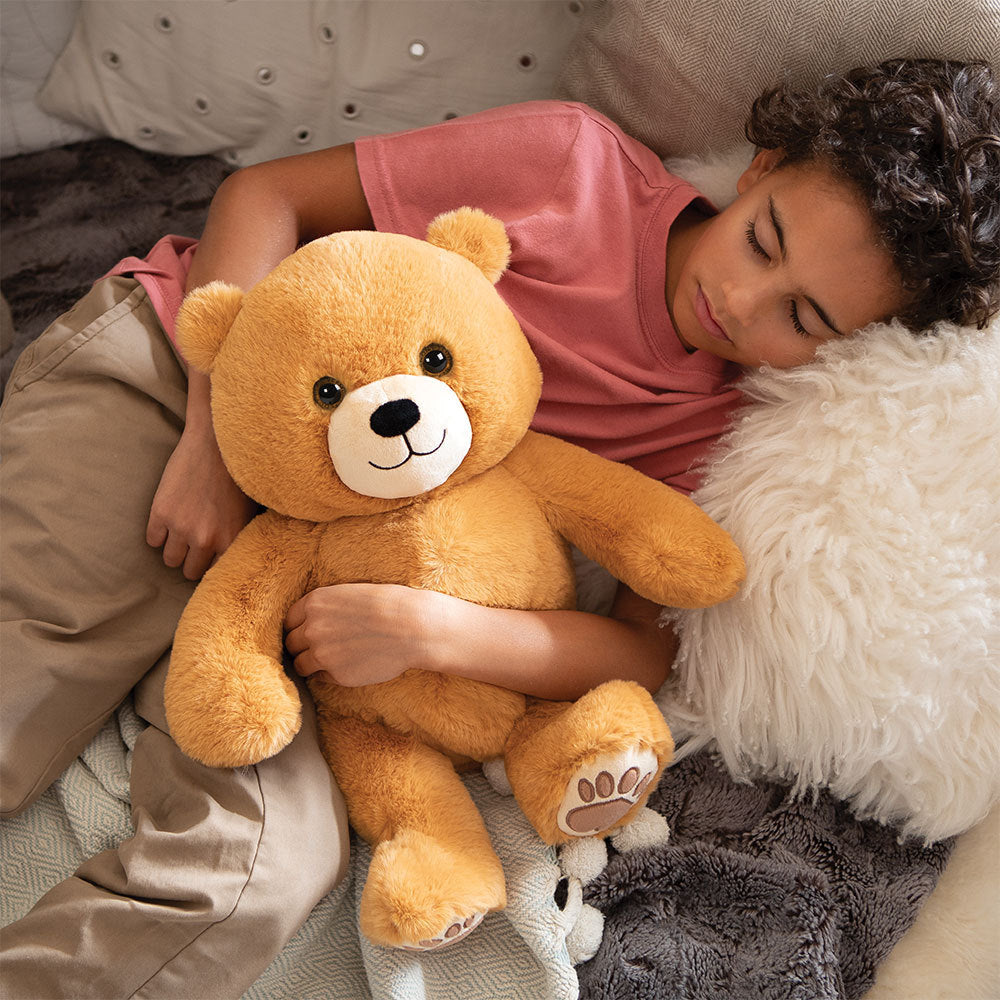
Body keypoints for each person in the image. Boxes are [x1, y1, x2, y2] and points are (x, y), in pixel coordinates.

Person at [2, 57, 997, 999]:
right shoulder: (571, 162)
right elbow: (265, 196)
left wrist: (435, 634)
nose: (738, 301)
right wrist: (211, 440)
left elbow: (641, 649)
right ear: (761, 167)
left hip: (309, 591)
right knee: (23, 688)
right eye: (762, 239)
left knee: (263, 872)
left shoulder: (720, 432)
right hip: (180, 391)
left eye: (803, 315)